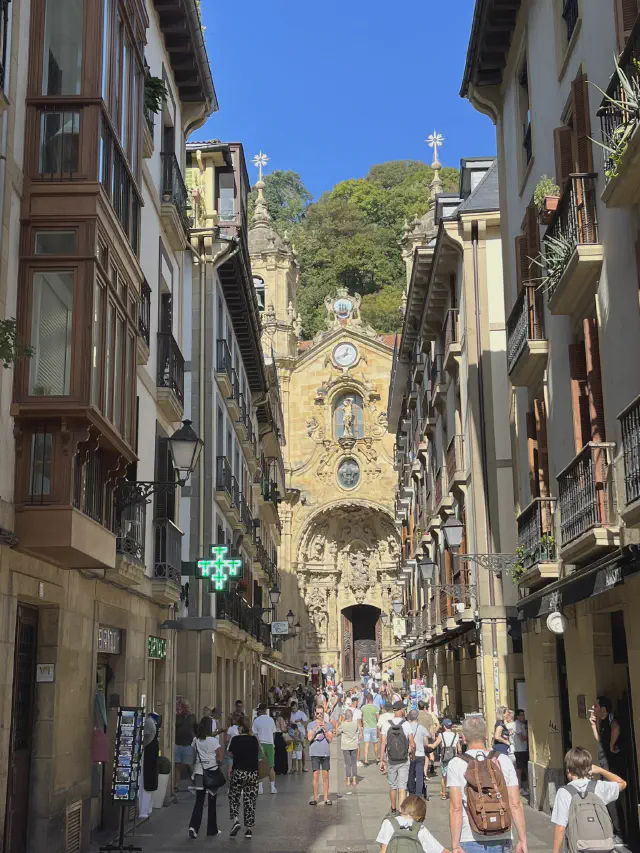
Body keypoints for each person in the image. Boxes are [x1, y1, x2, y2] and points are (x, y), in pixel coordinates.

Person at [447, 715, 527, 853]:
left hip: (470, 837)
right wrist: (522, 840)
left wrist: (455, 845)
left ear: (464, 738)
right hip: (502, 835)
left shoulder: (456, 764)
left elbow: (456, 807)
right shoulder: (503, 760)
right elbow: (515, 803)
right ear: (485, 736)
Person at [551, 746, 627, 853]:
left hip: (578, 848)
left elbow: (560, 827)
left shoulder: (564, 792)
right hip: (602, 847)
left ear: (568, 770)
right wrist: (601, 770)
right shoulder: (599, 787)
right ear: (589, 768)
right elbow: (622, 783)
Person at [590, 696, 626, 843]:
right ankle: (614, 831)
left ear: (604, 709)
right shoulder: (603, 721)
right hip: (604, 764)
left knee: (612, 798)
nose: (593, 709)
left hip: (612, 766)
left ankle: (620, 834)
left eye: (595, 706)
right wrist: (593, 726)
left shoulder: (611, 718)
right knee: (607, 797)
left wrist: (611, 745)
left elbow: (617, 727)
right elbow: (599, 740)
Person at [377, 794, 450, 853]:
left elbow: (384, 850)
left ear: (401, 808)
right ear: (421, 817)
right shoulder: (420, 829)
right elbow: (441, 851)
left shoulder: (388, 823)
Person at [188, 716, 223, 838]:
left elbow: (193, 756)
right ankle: (212, 829)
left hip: (199, 773)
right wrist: (217, 764)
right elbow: (219, 756)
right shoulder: (213, 741)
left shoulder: (196, 740)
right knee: (212, 802)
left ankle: (193, 827)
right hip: (211, 773)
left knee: (199, 801)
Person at [380, 700, 416, 815]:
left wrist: (381, 759)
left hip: (391, 759)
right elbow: (412, 744)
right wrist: (412, 754)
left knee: (393, 786)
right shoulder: (406, 725)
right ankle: (401, 811)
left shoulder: (386, 724)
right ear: (401, 710)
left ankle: (393, 808)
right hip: (404, 759)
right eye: (404, 709)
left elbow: (383, 743)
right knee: (402, 787)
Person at [227, 716, 260, 839]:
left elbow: (230, 753)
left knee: (234, 796)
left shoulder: (235, 739)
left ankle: (236, 820)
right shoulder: (253, 739)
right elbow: (257, 753)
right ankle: (249, 829)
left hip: (239, 772)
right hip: (252, 773)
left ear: (240, 727)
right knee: (250, 799)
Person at [308, 707, 334, 805]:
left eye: (321, 713)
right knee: (315, 775)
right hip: (314, 753)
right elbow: (309, 738)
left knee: (325, 776)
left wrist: (324, 729)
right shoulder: (311, 725)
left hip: (325, 753)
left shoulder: (328, 725)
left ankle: (326, 798)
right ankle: (315, 798)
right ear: (315, 714)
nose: (320, 715)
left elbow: (330, 739)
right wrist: (315, 729)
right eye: (318, 713)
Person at [430, 719, 459, 801]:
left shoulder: (441, 735)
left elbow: (434, 745)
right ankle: (453, 793)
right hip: (454, 759)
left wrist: (426, 745)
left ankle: (443, 794)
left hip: (444, 758)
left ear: (444, 726)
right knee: (453, 777)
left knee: (444, 777)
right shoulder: (456, 735)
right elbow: (459, 749)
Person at [252, 703, 277, 795]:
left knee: (260, 766)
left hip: (260, 744)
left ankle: (260, 788)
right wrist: (272, 742)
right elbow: (274, 732)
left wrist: (258, 745)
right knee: (271, 766)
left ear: (259, 710)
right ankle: (272, 787)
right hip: (270, 744)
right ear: (266, 710)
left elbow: (255, 734)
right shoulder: (271, 720)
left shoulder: (256, 720)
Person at [139, 712, 160, 820]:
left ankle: (145, 809)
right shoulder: (152, 723)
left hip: (149, 755)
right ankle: (146, 809)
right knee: (149, 780)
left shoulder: (150, 722)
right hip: (151, 756)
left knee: (147, 780)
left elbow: (146, 738)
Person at [174, 700, 197, 792]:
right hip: (178, 743)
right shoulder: (177, 717)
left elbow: (196, 729)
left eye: (188, 707)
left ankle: (195, 781)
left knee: (190, 764)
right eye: (185, 707)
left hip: (188, 744)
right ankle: (176, 784)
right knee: (177, 765)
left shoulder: (192, 717)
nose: (187, 709)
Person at [407, 710, 430, 798]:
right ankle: (419, 794)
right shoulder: (422, 728)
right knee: (419, 775)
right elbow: (426, 742)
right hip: (420, 754)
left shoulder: (406, 727)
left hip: (410, 754)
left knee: (410, 774)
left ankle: (411, 792)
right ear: (417, 717)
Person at [338, 708, 360, 787]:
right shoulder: (355, 723)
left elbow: (338, 731)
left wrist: (341, 721)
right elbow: (358, 731)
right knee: (354, 763)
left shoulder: (343, 724)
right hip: (354, 745)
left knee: (347, 763)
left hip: (345, 746)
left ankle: (348, 780)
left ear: (345, 716)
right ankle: (354, 780)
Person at [362, 691, 381, 766]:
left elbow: (361, 716)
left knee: (366, 744)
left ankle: (366, 760)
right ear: (372, 700)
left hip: (366, 727)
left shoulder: (363, 707)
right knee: (375, 744)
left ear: (367, 699)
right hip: (374, 727)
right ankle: (376, 758)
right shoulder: (375, 707)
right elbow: (378, 718)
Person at [291, 701, 309, 773]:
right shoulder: (291, 714)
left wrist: (300, 721)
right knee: (293, 750)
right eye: (292, 708)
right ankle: (293, 768)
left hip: (301, 733)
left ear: (297, 707)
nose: (293, 710)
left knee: (302, 750)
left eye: (294, 708)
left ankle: (303, 766)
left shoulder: (301, 713)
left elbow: (305, 723)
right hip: (293, 734)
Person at [514, 710, 529, 791]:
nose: (523, 716)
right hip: (519, 749)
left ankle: (524, 786)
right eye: (522, 715)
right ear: (518, 716)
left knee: (523, 768)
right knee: (520, 769)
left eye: (524, 714)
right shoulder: (517, 724)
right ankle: (519, 786)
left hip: (523, 749)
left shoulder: (523, 724)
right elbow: (521, 738)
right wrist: (529, 737)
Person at [274, 707, 291, 775]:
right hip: (280, 736)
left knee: (278, 753)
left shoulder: (279, 718)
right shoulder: (281, 718)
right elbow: (282, 729)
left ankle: (278, 769)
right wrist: (288, 728)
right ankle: (282, 769)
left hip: (278, 736)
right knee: (282, 753)